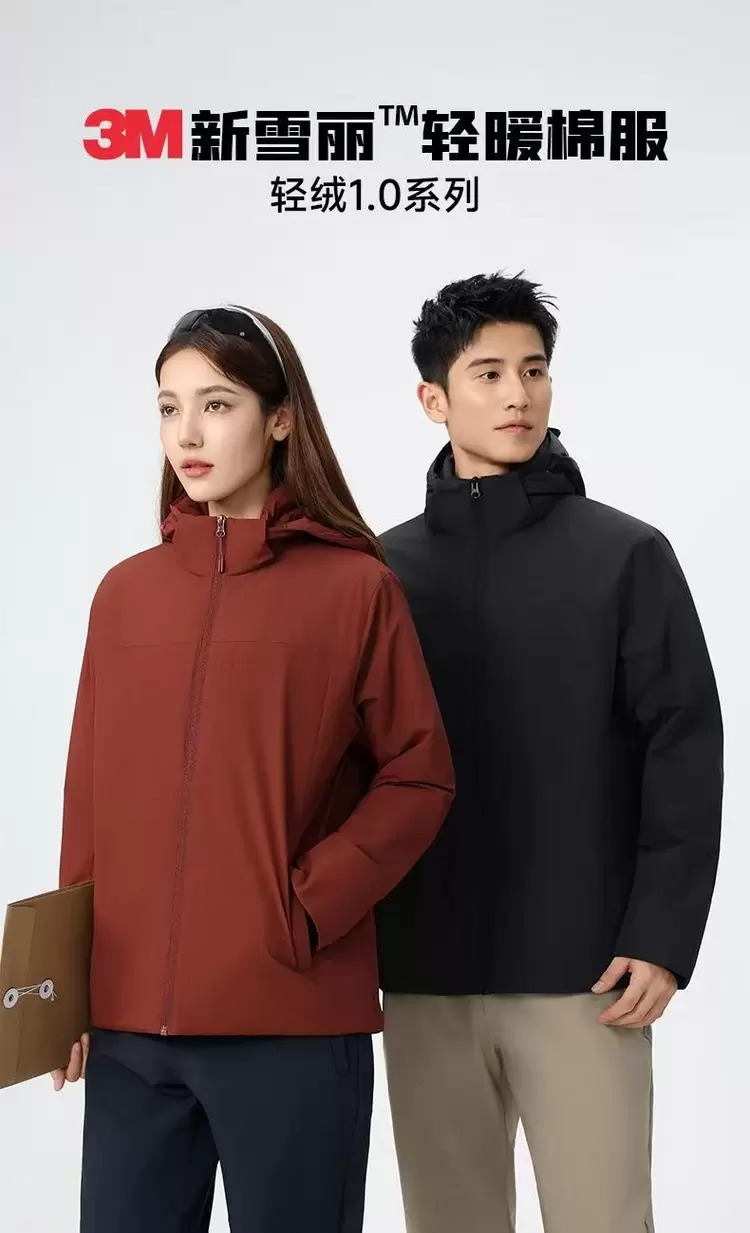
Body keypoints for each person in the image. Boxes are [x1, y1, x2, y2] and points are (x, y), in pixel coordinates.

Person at [52, 303, 455, 1233]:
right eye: (169, 407)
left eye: (217, 404)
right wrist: (68, 982)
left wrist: (307, 905)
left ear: (279, 419)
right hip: (130, 1036)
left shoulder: (355, 588)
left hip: (290, 1022)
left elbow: (420, 774)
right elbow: (87, 795)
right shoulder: (125, 594)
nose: (187, 434)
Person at [376, 273, 723, 1233]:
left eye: (533, 370)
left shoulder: (625, 555)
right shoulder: (382, 571)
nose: (518, 394)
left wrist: (662, 935)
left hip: (587, 976)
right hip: (423, 972)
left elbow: (683, 745)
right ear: (433, 399)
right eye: (487, 373)